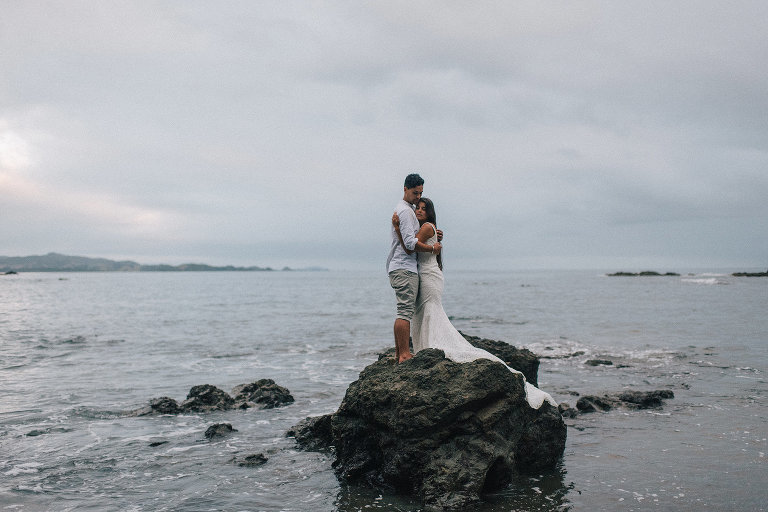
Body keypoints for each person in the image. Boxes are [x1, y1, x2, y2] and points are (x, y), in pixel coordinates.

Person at [392, 198, 556, 409]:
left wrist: (398, 228)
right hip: (427, 274)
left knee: (429, 311)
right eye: (418, 208)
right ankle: (425, 348)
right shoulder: (428, 227)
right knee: (424, 312)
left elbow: (410, 246)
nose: (420, 211)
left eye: (424, 209)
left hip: (428, 275)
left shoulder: (425, 227)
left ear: (430, 213)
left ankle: (428, 348)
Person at [387, 174, 442, 363]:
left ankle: (400, 353)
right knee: (404, 311)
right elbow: (410, 244)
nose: (418, 197)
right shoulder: (405, 211)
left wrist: (435, 234)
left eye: (420, 193)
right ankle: (404, 354)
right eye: (415, 193)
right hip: (404, 267)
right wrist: (432, 248)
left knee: (405, 310)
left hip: (405, 267)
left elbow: (416, 235)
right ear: (405, 189)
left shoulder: (409, 210)